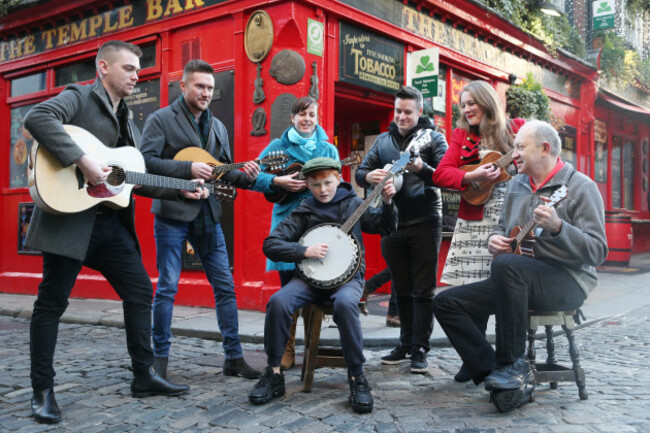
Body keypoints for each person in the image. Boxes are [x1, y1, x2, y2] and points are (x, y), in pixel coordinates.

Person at [24, 40, 190, 425]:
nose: (137, 75)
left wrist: (179, 187)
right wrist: (83, 161)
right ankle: (42, 390)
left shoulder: (129, 121)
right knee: (52, 303)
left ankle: (144, 375)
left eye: (138, 70)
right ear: (103, 67)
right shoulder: (77, 97)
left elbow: (130, 179)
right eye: (129, 68)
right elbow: (37, 117)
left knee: (140, 291)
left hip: (110, 225)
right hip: (69, 218)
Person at [432, 120, 608, 411]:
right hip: (516, 276)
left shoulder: (579, 187)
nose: (513, 153)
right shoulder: (515, 184)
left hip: (567, 280)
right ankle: (493, 369)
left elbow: (598, 252)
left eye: (520, 147)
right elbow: (502, 229)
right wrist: (494, 240)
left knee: (508, 267)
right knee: (446, 303)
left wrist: (559, 227)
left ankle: (511, 364)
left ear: (544, 149)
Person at [139, 59, 261, 380]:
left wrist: (247, 176)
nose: (206, 93)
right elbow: (147, 164)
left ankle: (234, 357)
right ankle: (160, 361)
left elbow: (222, 172)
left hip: (208, 215)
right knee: (167, 288)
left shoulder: (218, 127)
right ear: (183, 86)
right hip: (172, 215)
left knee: (225, 288)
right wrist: (186, 169)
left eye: (210, 88)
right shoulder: (161, 119)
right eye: (200, 86)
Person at [248, 157, 397, 413]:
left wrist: (387, 202)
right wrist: (304, 250)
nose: (323, 189)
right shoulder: (304, 210)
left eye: (328, 183)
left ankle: (356, 377)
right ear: (307, 184)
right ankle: (273, 373)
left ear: (338, 179)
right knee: (278, 301)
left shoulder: (353, 205)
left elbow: (386, 227)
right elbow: (270, 244)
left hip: (347, 280)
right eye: (316, 185)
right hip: (309, 280)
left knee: (346, 304)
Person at [431, 80, 525, 382]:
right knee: (470, 287)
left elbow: (535, 156)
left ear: (486, 101)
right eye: (463, 103)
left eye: (472, 102)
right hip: (473, 219)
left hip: (507, 218)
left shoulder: (515, 130)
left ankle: (498, 358)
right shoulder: (460, 135)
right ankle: (475, 355)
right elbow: (440, 174)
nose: (467, 108)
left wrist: (522, 163)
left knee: (496, 286)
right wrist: (472, 174)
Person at [355, 85, 447, 374]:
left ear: (419, 112)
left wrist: (421, 167)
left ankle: (420, 348)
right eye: (398, 111)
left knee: (424, 291)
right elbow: (360, 173)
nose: (402, 116)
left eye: (408, 112)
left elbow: (445, 177)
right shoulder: (383, 141)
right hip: (391, 224)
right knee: (402, 289)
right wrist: (370, 175)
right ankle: (405, 343)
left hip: (425, 222)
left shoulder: (433, 138)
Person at [250, 96, 339, 370]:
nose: (307, 119)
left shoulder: (328, 149)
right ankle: (286, 350)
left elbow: (339, 183)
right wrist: (278, 181)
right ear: (293, 118)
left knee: (315, 289)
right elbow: (253, 176)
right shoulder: (278, 147)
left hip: (320, 228)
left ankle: (310, 348)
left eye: (312, 114)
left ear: (317, 117)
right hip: (288, 228)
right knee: (288, 291)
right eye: (302, 115)